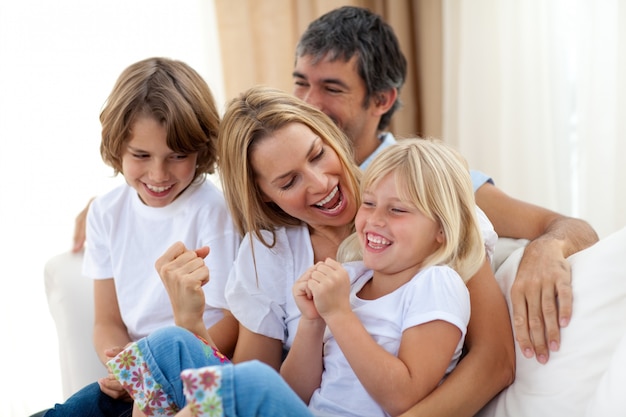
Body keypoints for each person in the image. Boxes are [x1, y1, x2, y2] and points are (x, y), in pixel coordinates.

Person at [105, 85, 500, 417]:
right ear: (266, 195)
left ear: (330, 136)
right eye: (289, 180)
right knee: (163, 350)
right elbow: (290, 390)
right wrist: (312, 321)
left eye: (317, 154)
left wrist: (553, 240)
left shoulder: (436, 236)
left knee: (248, 383)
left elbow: (490, 362)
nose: (319, 182)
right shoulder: (350, 272)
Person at [35, 57, 240, 416]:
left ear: (200, 149)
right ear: (117, 147)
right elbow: (108, 322)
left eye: (177, 156)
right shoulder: (105, 213)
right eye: (141, 155)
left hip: (193, 374)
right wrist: (124, 364)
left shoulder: (213, 210)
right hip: (136, 375)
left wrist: (152, 364)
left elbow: (232, 323)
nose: (158, 174)